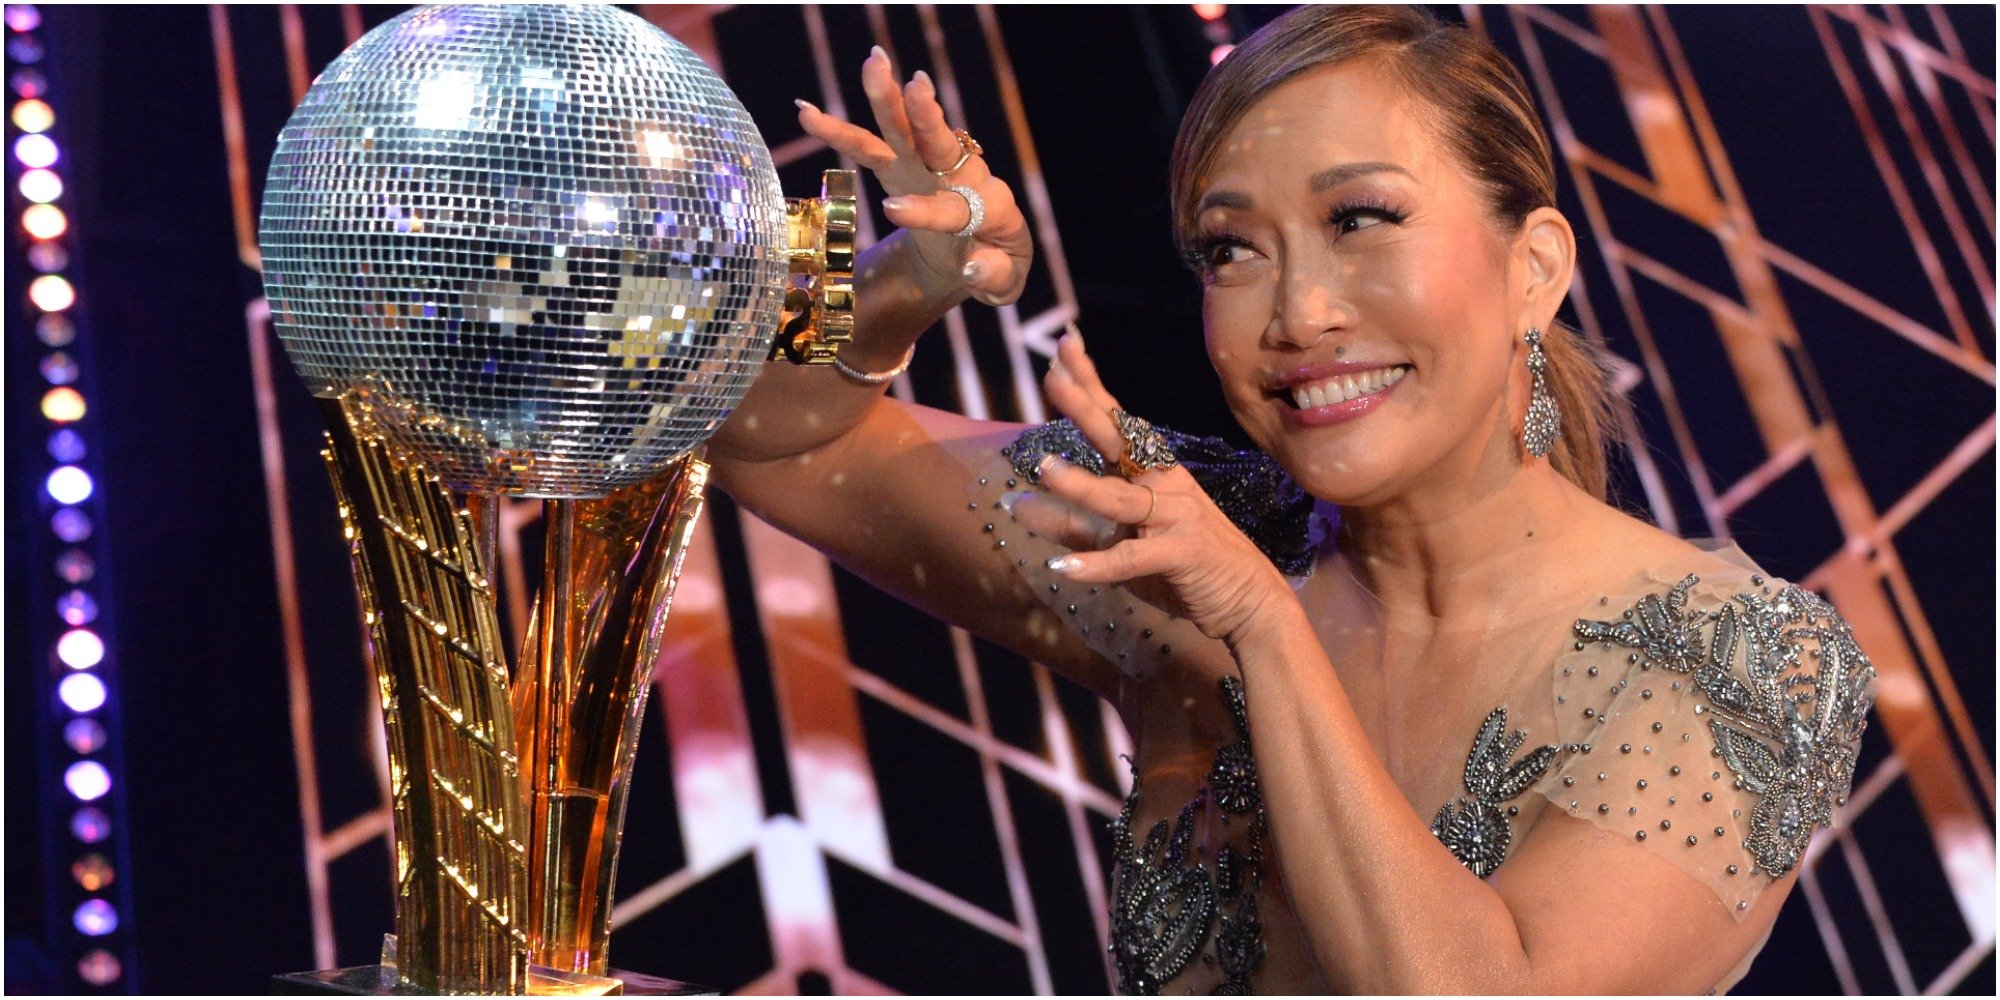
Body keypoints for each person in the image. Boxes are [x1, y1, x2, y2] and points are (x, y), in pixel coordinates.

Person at [706, 6, 1875, 994]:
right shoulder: (1185, 543)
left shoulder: (1739, 655)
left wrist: (1261, 623)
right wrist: (911, 277)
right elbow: (763, 438)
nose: (1298, 314)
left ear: (1534, 266)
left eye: (1358, 220)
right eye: (1230, 251)